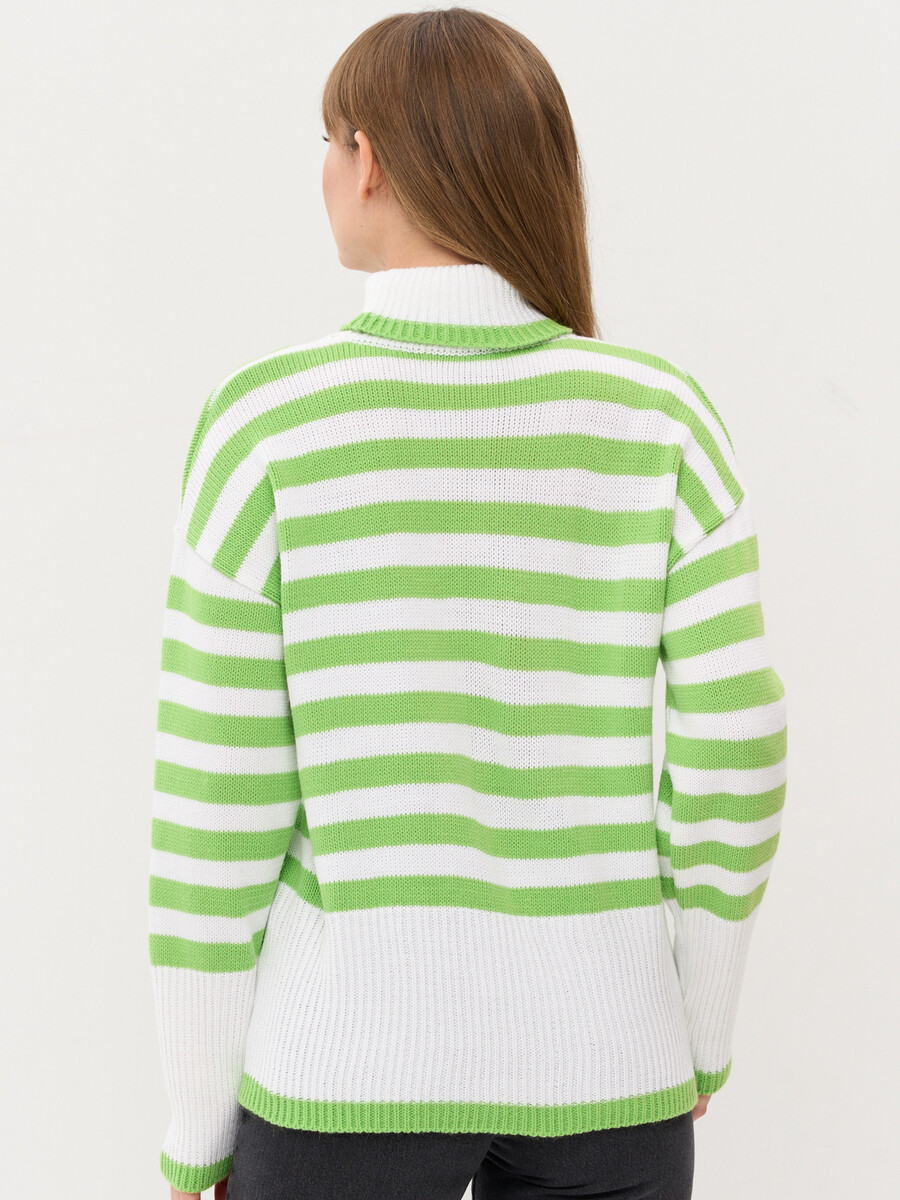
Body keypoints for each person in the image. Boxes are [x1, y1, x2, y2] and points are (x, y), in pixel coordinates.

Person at [148, 8, 787, 1199]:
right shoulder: (662, 420)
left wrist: (197, 1123)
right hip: (613, 1076)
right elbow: (738, 751)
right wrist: (697, 1029)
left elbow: (213, 809)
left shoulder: (268, 426)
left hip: (341, 1078)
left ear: (369, 159)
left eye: (328, 141)